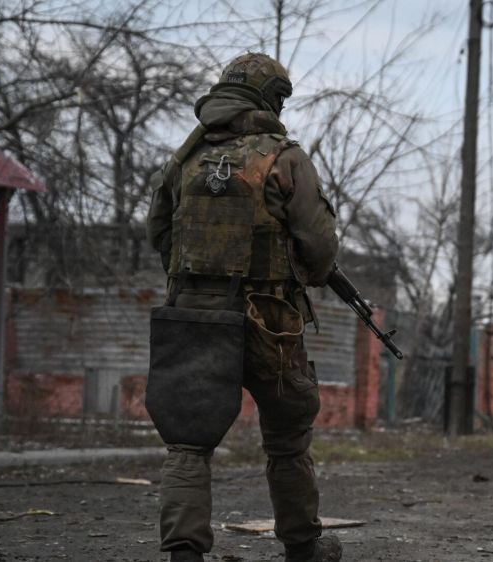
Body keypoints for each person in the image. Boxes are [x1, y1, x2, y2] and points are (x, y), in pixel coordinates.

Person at [146, 52, 342, 562]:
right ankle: (303, 546)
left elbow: (159, 232)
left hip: (194, 315)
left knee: (188, 443)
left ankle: (184, 553)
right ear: (270, 98)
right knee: (287, 437)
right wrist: (296, 275)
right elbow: (319, 247)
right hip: (268, 318)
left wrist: (196, 282)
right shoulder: (284, 158)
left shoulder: (185, 159)